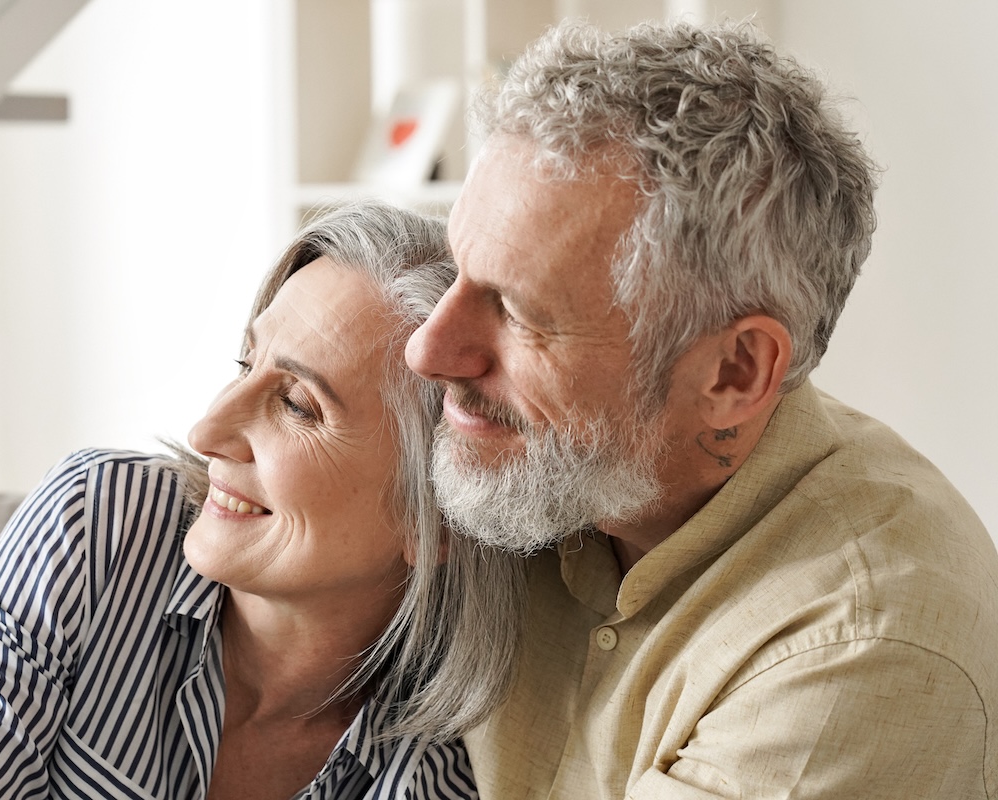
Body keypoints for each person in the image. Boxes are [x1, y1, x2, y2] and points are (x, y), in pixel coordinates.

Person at [404, 18, 998, 799]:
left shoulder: (862, 644)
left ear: (734, 372)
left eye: (519, 312)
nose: (427, 350)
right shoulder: (544, 463)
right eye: (457, 271)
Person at [0, 202, 525, 800]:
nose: (207, 432)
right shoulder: (98, 519)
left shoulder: (439, 767)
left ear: (437, 516)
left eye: (296, 404)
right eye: (244, 365)